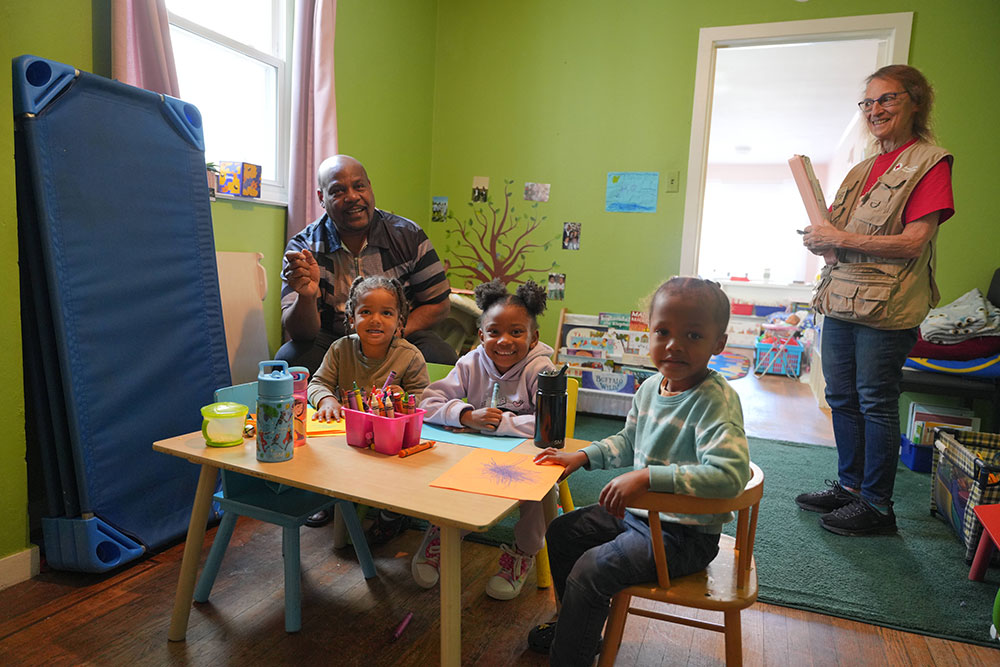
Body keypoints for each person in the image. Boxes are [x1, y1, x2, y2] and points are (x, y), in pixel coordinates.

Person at [525, 277, 751, 663]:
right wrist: (582, 457)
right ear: (648, 332)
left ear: (719, 345)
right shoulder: (650, 388)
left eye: (693, 335)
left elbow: (730, 476)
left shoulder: (716, 402)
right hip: (641, 518)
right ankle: (577, 629)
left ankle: (571, 654)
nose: (674, 345)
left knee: (591, 570)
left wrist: (648, 477)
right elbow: (629, 440)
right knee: (562, 532)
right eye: (662, 332)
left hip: (685, 535)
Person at [797, 65, 955, 537]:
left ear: (916, 102)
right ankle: (849, 488)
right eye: (868, 103)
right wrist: (821, 241)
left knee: (874, 401)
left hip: (889, 303)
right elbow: (847, 236)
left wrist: (839, 236)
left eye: (887, 99)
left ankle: (877, 506)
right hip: (843, 295)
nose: (875, 110)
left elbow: (913, 243)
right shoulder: (864, 168)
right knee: (841, 396)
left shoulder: (930, 162)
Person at [412, 279, 556, 600]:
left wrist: (502, 423)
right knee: (440, 470)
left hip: (525, 462)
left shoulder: (542, 370)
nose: (504, 340)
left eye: (516, 332)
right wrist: (464, 415)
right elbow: (427, 402)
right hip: (473, 456)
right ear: (481, 335)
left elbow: (549, 426)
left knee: (541, 491)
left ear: (534, 338)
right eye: (494, 332)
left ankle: (523, 552)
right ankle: (445, 531)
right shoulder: (470, 363)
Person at [279, 155, 458, 375]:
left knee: (440, 355)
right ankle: (324, 406)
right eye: (338, 191)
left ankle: (421, 409)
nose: (352, 197)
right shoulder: (304, 248)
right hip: (334, 340)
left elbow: (439, 304)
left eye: (359, 186)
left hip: (398, 334)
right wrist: (306, 296)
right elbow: (300, 333)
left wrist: (394, 331)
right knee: (290, 359)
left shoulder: (408, 236)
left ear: (370, 188)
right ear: (321, 198)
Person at [304, 275, 430, 536]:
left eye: (386, 313)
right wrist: (326, 399)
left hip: (389, 444)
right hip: (349, 440)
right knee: (319, 455)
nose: (375, 319)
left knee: (400, 472)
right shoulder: (340, 349)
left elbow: (427, 398)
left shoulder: (409, 356)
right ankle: (327, 497)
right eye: (365, 312)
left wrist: (404, 399)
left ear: (399, 321)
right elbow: (316, 384)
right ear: (351, 319)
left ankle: (393, 512)